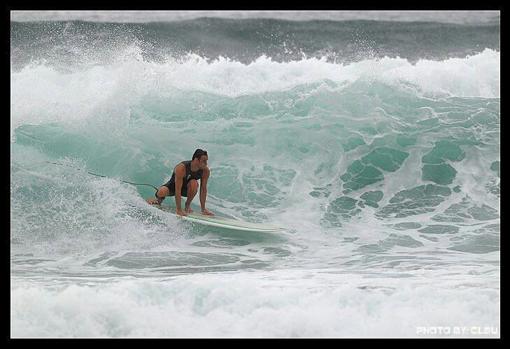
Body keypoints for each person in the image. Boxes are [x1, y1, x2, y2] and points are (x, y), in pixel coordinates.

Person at [147, 149, 214, 217]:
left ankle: (187, 205)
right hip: (173, 187)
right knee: (162, 191)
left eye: (206, 161)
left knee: (194, 183)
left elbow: (203, 189)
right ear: (196, 160)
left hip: (187, 190)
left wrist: (203, 209)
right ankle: (158, 200)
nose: (206, 163)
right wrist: (178, 209)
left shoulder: (205, 171)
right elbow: (177, 189)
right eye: (204, 161)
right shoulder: (182, 168)